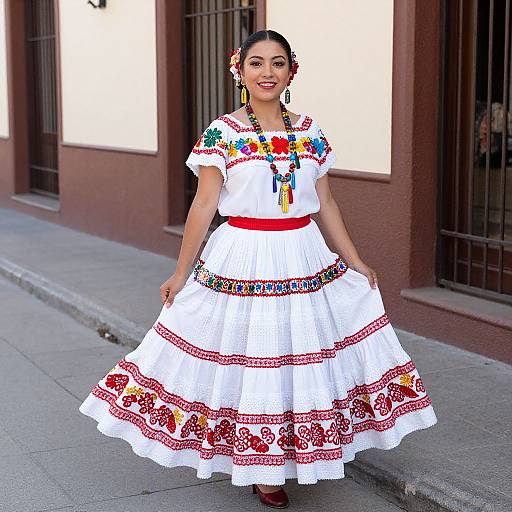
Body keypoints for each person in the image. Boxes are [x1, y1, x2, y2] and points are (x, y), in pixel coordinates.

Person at [79, 29, 438, 510]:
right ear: (240, 70)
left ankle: (287, 457)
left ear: (292, 71)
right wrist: (180, 272)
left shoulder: (310, 131)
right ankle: (262, 468)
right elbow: (204, 204)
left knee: (298, 354)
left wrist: (354, 259)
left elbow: (326, 203)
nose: (267, 72)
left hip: (303, 252)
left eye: (277, 63)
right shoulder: (222, 132)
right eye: (257, 63)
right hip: (242, 253)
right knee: (253, 357)